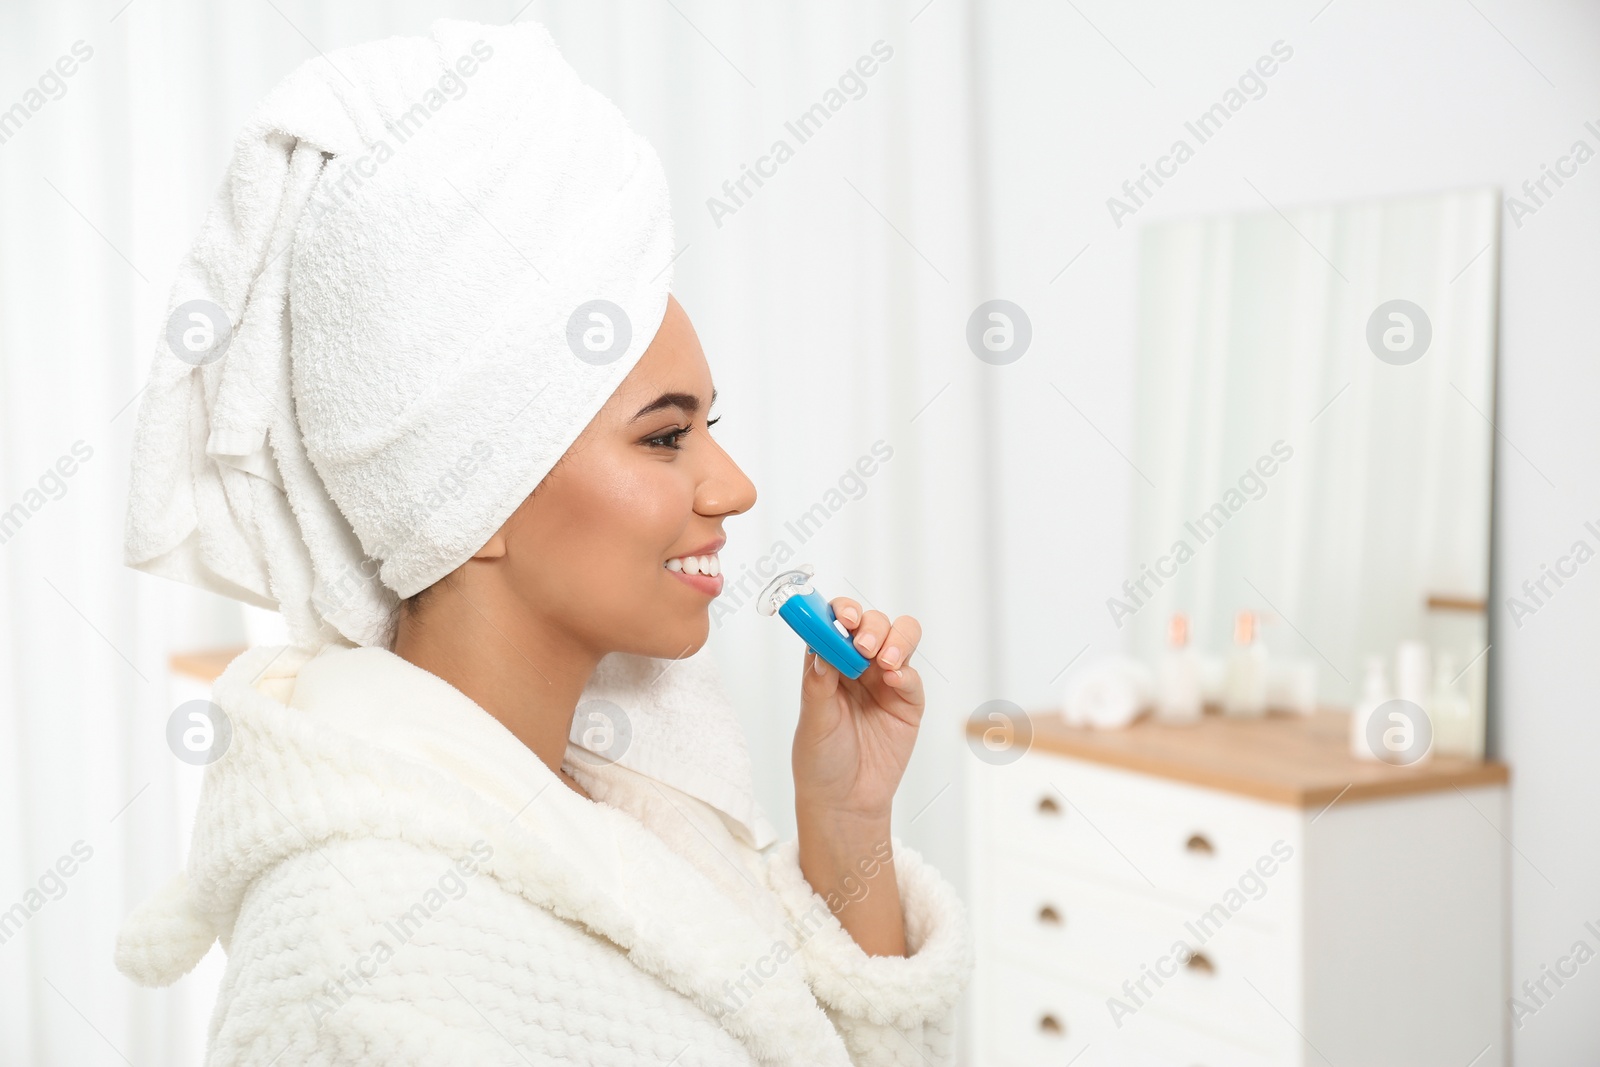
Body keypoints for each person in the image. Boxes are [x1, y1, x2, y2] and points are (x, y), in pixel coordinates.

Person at [115, 18, 971, 1066]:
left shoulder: (635, 799)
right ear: (474, 498)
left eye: (711, 424)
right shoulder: (356, 944)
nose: (734, 486)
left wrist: (846, 818)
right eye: (665, 435)